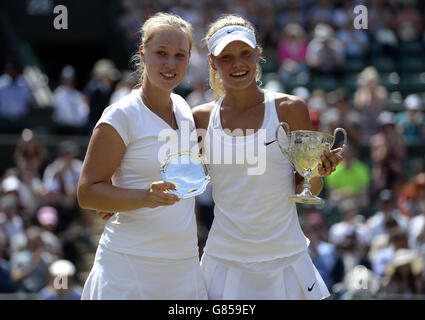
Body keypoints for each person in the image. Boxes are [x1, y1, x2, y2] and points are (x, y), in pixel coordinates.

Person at [192, 14, 343, 300]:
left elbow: (306, 185)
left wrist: (318, 173)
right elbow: (186, 183)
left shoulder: (290, 108)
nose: (238, 64)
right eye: (226, 57)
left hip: (286, 259)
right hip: (223, 262)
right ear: (212, 62)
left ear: (257, 54)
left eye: (245, 53)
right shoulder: (199, 118)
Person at [77, 12, 207, 300]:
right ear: (143, 53)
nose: (170, 64)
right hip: (128, 269)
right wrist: (143, 198)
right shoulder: (121, 115)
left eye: (179, 55)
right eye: (161, 53)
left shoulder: (185, 109)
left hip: (183, 268)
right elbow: (87, 193)